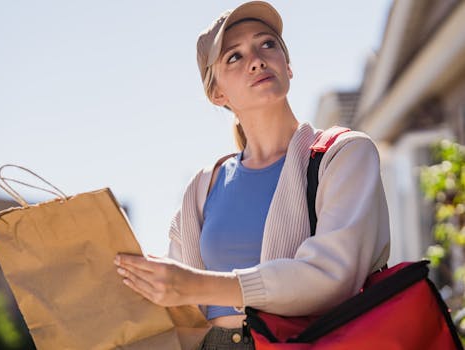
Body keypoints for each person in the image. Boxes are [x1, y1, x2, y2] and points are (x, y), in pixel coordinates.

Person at [114, 1, 390, 348]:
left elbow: (333, 276)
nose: (257, 59)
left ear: (288, 66)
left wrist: (195, 285)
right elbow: (175, 302)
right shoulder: (201, 188)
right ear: (217, 93)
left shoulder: (344, 154)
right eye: (234, 56)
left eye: (267, 44)